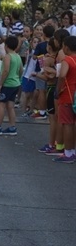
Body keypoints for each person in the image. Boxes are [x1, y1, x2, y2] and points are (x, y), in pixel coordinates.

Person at [0, 36, 23, 136]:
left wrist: (0, 84)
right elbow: (21, 70)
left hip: (8, 84)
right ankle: (12, 127)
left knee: (0, 104)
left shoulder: (8, 56)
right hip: (15, 83)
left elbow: (6, 70)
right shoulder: (18, 56)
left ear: (6, 46)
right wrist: (18, 79)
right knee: (10, 106)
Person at [53, 35, 76, 163]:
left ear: (66, 47)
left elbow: (62, 75)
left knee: (68, 124)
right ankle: (73, 151)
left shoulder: (67, 60)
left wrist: (58, 89)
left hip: (68, 95)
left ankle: (68, 152)